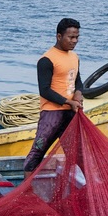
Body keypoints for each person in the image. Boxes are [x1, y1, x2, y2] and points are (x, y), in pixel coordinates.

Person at [23, 18, 84, 172]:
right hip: (51, 114)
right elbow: (45, 90)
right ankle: (25, 192)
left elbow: (78, 80)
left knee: (77, 154)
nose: (74, 41)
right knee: (37, 153)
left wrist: (78, 93)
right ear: (59, 36)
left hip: (70, 113)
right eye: (71, 37)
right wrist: (68, 102)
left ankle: (86, 187)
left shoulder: (74, 57)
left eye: (77, 37)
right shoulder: (46, 60)